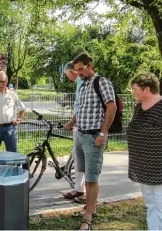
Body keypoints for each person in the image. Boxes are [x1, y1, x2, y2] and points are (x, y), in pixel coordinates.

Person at [73, 52, 117, 230]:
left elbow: (111, 106)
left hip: (94, 137)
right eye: (76, 71)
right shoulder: (83, 85)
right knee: (84, 173)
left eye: (81, 69)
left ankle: (88, 217)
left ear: (90, 66)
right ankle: (90, 206)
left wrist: (102, 132)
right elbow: (82, 109)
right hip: (81, 135)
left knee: (92, 178)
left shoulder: (101, 82)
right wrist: (71, 124)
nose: (78, 73)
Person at [127, 73, 162, 230]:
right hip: (143, 167)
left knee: (160, 206)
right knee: (150, 204)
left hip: (159, 168)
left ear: (146, 89)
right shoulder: (138, 108)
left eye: (134, 89)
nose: (132, 91)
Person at [62, 61, 86, 202]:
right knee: (77, 158)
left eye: (67, 75)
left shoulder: (82, 82)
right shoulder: (79, 83)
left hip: (84, 126)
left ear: (72, 72)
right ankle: (78, 188)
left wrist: (72, 122)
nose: (68, 77)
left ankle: (83, 191)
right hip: (79, 125)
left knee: (83, 159)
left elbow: (81, 107)